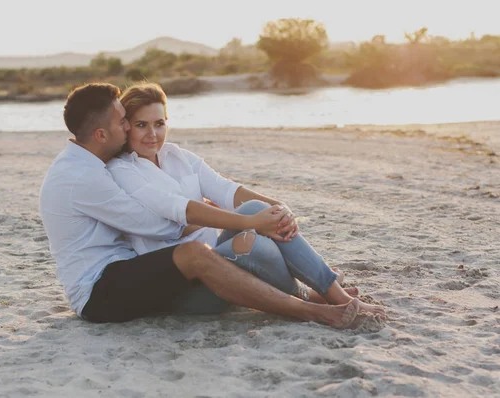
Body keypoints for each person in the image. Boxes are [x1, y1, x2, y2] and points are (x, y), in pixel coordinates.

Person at [39, 82, 367, 330]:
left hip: (139, 271)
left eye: (158, 123)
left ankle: (331, 294)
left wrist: (278, 209)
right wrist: (226, 218)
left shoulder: (118, 161)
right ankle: (312, 307)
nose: (132, 129)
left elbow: (224, 190)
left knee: (253, 212)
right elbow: (151, 223)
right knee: (213, 247)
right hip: (100, 288)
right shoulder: (88, 175)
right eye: (129, 123)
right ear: (100, 133)